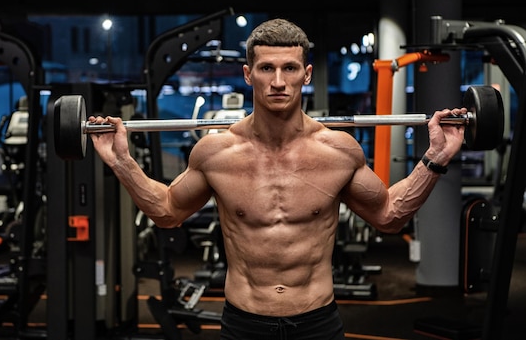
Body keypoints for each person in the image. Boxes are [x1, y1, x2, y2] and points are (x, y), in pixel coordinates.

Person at [89, 18, 466, 340]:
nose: (278, 81)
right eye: (267, 68)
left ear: (307, 74)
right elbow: (168, 212)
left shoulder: (338, 151)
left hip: (317, 322)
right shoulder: (216, 153)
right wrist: (121, 160)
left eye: (289, 68)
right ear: (248, 74)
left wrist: (435, 157)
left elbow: (388, 215)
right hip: (244, 323)